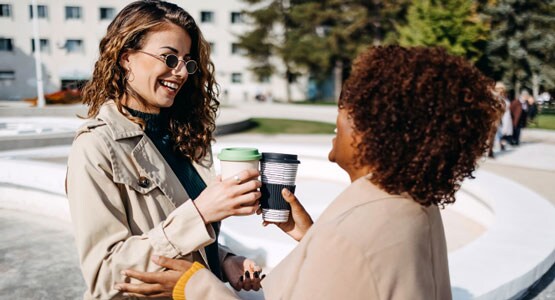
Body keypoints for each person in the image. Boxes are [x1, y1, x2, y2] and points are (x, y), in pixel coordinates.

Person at [116, 46, 504, 299]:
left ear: (381, 128)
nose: (340, 111)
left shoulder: (350, 234)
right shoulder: (416, 204)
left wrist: (193, 286)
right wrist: (312, 235)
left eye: (354, 105)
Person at [65, 1, 263, 299]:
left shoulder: (184, 136)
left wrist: (223, 261)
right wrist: (201, 212)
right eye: (169, 58)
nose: (182, 72)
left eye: (187, 61)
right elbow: (106, 275)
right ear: (125, 58)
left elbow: (175, 240)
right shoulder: (95, 146)